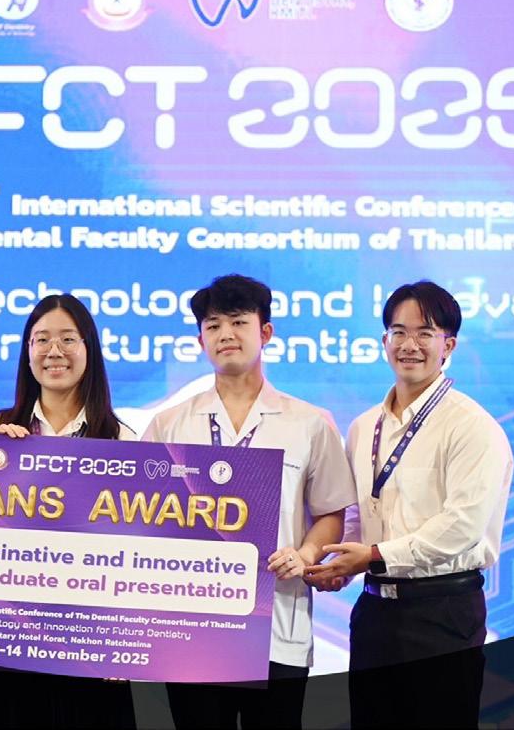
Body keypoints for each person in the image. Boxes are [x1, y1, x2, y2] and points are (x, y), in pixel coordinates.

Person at [142, 274, 355, 730]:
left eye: (238, 322)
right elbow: (145, 517)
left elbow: (331, 512)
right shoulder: (168, 425)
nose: (226, 334)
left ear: (265, 332)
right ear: (200, 339)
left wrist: (306, 554)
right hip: (192, 629)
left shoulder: (309, 423)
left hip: (276, 622)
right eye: (213, 325)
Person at [305, 280, 514, 729]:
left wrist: (372, 555)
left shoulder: (471, 427)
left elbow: (462, 527)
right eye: (398, 332)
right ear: (385, 341)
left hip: (442, 614)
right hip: (375, 614)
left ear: (448, 345)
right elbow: (360, 512)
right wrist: (339, 563)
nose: (409, 345)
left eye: (425, 333)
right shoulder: (364, 427)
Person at [0, 294, 137, 730]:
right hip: (4, 640)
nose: (54, 351)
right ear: (28, 352)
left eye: (68, 339)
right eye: (41, 339)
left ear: (89, 349)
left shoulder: (123, 440)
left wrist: (128, 643)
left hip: (89, 644)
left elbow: (137, 552)